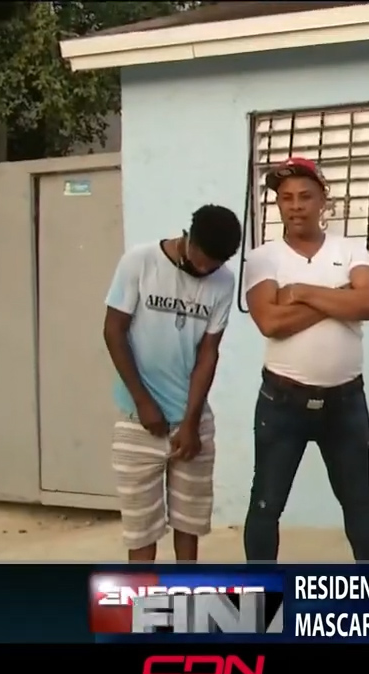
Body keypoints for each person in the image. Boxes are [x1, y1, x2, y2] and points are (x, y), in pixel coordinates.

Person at [242, 157, 369, 563]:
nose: (295, 205)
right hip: (282, 403)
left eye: (306, 196)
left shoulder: (350, 249)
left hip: (345, 403)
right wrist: (341, 298)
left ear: (324, 200)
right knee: (267, 504)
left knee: (359, 501)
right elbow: (270, 321)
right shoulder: (263, 258)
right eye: (285, 198)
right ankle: (260, 602)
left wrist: (301, 291)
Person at [102, 205, 241, 562]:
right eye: (204, 258)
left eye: (218, 263)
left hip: (191, 423)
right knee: (141, 532)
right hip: (138, 421)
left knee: (189, 527)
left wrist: (192, 422)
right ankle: (142, 609)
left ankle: (186, 603)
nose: (208, 269)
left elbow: (209, 353)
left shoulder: (224, 281)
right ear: (188, 238)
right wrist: (144, 402)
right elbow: (113, 331)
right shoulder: (140, 262)